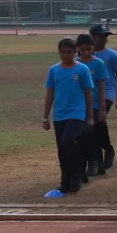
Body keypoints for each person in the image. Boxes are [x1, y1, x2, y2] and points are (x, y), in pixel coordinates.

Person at [42, 38, 95, 195]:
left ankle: (76, 177)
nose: (65, 55)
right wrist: (45, 117)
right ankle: (65, 181)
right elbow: (50, 94)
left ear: (75, 52)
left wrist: (90, 116)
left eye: (69, 52)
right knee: (62, 148)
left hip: (76, 113)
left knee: (68, 141)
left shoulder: (82, 69)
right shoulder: (54, 70)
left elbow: (88, 93)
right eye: (63, 52)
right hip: (59, 114)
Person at [89, 24, 117, 172]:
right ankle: (97, 160)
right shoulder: (85, 54)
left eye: (106, 36)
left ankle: (108, 149)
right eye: (101, 36)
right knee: (92, 127)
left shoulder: (112, 55)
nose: (104, 39)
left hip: (108, 92)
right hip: (91, 95)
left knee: (97, 120)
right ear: (92, 37)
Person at [75, 34, 108, 178]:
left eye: (89, 49)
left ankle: (95, 161)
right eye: (83, 50)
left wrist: (102, 107)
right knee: (83, 135)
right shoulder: (75, 63)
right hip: (79, 105)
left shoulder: (99, 63)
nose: (87, 52)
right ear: (78, 49)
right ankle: (91, 161)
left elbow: (101, 86)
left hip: (94, 104)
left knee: (91, 132)